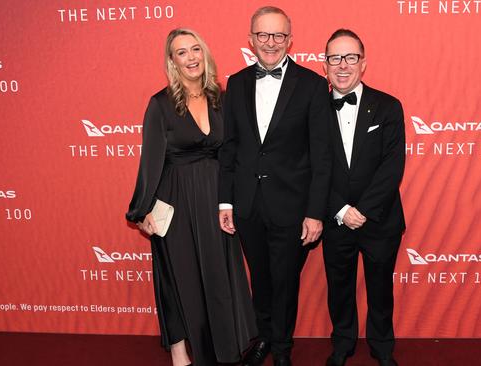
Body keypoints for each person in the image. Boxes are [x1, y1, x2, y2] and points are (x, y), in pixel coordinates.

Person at [126, 28, 256, 366]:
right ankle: (182, 355)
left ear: (205, 53)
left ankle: (224, 352)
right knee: (180, 278)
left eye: (195, 49)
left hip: (217, 201)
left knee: (218, 277)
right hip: (176, 200)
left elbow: (237, 152)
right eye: (181, 52)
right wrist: (141, 212)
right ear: (172, 61)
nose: (191, 57)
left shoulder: (222, 98)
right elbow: (150, 162)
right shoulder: (160, 104)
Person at [218, 6, 332, 366]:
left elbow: (321, 157)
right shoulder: (235, 83)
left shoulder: (313, 85)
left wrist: (315, 212)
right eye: (263, 35)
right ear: (250, 39)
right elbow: (230, 147)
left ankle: (282, 349)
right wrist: (225, 203)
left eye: (278, 35)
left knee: (285, 282)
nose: (270, 43)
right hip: (248, 204)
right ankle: (263, 338)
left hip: (292, 207)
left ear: (290, 40)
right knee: (261, 280)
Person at [321, 29, 406, 366]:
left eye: (351, 57)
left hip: (380, 218)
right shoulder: (312, 110)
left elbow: (392, 165)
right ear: (325, 65)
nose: (343, 65)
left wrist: (364, 210)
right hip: (334, 217)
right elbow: (311, 167)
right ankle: (342, 344)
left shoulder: (388, 106)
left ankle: (382, 348)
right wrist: (341, 210)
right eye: (335, 58)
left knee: (381, 290)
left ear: (363, 62)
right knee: (339, 288)